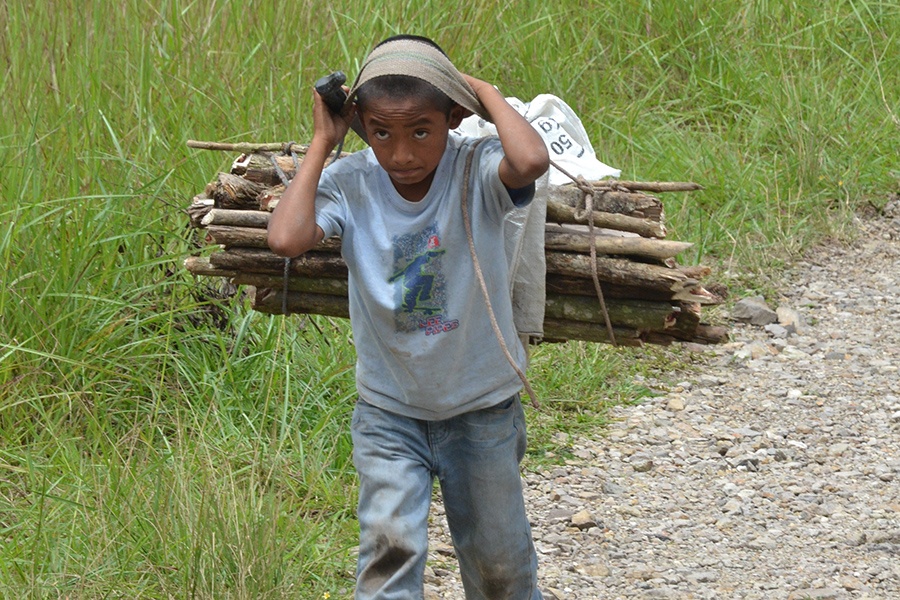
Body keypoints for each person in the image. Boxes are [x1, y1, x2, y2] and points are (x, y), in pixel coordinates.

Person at [268, 34, 549, 600]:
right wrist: (325, 142)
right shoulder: (352, 184)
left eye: (422, 130)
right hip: (389, 414)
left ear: (453, 119)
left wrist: (482, 92)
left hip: (482, 409)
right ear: (361, 127)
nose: (401, 153)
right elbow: (286, 237)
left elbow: (531, 161)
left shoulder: (476, 170)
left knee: (500, 568)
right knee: (388, 555)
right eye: (381, 133)